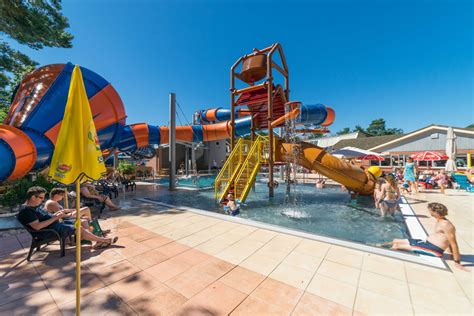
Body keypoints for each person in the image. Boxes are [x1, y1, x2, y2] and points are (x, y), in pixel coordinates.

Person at [17, 186, 118, 248]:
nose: (43, 200)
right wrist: (56, 218)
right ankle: (103, 240)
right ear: (33, 197)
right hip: (50, 231)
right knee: (80, 227)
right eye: (41, 198)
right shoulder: (27, 211)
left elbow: (45, 216)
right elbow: (37, 227)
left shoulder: (33, 206)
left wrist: (56, 215)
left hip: (55, 224)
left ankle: (98, 239)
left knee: (81, 223)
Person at [381, 202, 467, 270]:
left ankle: (383, 261)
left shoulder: (446, 225)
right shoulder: (440, 220)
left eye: (430, 211)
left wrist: (457, 261)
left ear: (436, 212)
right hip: (426, 243)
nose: (429, 212)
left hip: (434, 249)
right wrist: (450, 251)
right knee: (396, 240)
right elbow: (446, 240)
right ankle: (379, 246)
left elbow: (453, 243)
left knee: (397, 246)